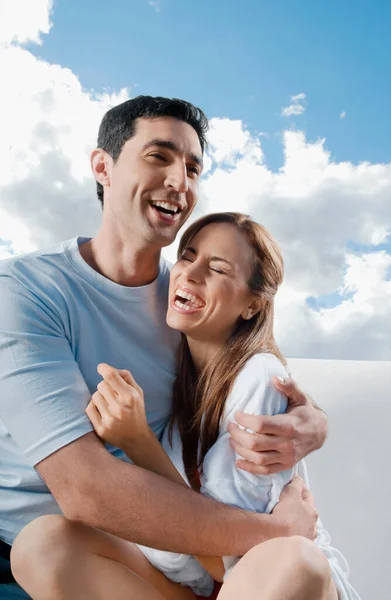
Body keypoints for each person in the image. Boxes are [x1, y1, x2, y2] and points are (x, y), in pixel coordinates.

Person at [0, 96, 327, 599]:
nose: (181, 180)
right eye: (159, 156)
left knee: (288, 569)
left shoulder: (187, 301)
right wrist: (278, 534)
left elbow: (252, 367)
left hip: (176, 554)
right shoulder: (28, 290)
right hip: (61, 555)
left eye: (193, 167)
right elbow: (85, 491)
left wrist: (312, 421)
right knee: (43, 543)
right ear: (102, 166)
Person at [12, 212, 360, 600]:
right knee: (44, 544)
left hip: (276, 586)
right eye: (187, 256)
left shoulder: (259, 378)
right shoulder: (177, 372)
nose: (190, 274)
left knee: (292, 556)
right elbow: (187, 563)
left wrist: (138, 442)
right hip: (199, 588)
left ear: (252, 306)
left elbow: (225, 560)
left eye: (218, 269)